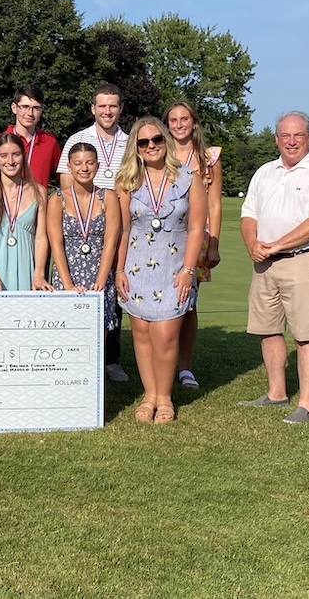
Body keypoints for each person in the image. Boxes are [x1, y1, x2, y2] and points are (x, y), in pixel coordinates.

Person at [239, 111, 309, 424]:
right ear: (276, 139)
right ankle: (276, 393)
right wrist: (253, 244)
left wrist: (278, 245)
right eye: (285, 135)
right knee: (268, 330)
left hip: (301, 260)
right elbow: (248, 214)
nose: (291, 141)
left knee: (305, 335)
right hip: (264, 262)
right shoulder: (265, 172)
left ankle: (306, 405)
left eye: (298, 135)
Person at [114, 118, 206, 424]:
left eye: (156, 139)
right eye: (143, 142)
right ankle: (149, 394)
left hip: (175, 267)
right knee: (141, 332)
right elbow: (124, 231)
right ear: (136, 148)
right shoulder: (126, 181)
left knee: (166, 334)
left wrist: (189, 270)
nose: (151, 145)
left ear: (165, 141)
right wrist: (119, 270)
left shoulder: (188, 177)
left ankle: (165, 397)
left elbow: (196, 228)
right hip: (137, 265)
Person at [57, 83, 130, 383]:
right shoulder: (78, 139)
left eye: (113, 106)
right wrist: (82, 213)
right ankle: (69, 361)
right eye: (102, 106)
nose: (107, 111)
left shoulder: (130, 141)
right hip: (84, 220)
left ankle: (110, 359)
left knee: (111, 293)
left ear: (120, 108)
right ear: (93, 109)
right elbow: (64, 182)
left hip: (120, 219)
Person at [164, 100, 223, 389]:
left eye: (184, 119)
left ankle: (185, 367)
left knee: (188, 303)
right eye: (173, 120)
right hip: (163, 236)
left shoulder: (209, 158)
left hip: (197, 238)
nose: (178, 124)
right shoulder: (159, 152)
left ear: (194, 122)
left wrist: (214, 244)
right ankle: (163, 361)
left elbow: (215, 204)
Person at [47, 143, 118, 326]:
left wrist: (101, 280)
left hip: (100, 276)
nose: (84, 168)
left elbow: (111, 242)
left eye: (89, 163)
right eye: (78, 163)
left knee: (99, 341)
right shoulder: (57, 199)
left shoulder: (108, 197)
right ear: (69, 167)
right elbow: (56, 245)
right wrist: (68, 284)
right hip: (67, 275)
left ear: (98, 165)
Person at [0, 133, 51, 292]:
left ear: (23, 157)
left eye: (16, 155)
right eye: (4, 156)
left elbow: (40, 237)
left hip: (25, 270)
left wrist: (39, 273)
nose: (10, 161)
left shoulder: (39, 191)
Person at [0, 85, 61, 188]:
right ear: (14, 108)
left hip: (38, 202)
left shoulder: (49, 142)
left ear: (41, 110)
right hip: (4, 202)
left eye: (36, 108)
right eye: (25, 107)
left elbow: (64, 176)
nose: (30, 113)